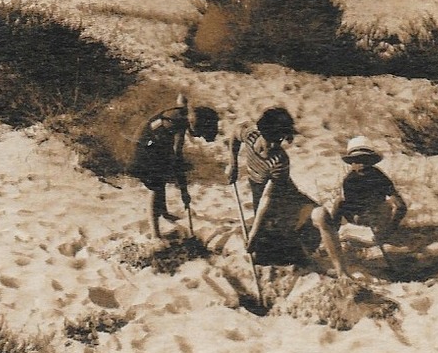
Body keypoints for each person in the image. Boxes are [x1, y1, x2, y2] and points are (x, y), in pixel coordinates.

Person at [226, 108, 345, 275]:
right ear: (262, 132)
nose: (275, 144)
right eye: (272, 138)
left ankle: (342, 272)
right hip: (259, 195)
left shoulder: (280, 160)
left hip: (284, 196)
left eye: (280, 139)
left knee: (321, 215)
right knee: (263, 254)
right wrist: (233, 165)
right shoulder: (250, 134)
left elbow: (268, 197)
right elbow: (235, 134)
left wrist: (253, 232)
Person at [128, 96, 220, 238]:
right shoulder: (178, 126)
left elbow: (181, 99)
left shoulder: (185, 114)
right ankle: (155, 234)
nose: (198, 136)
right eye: (200, 134)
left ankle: (163, 212)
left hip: (154, 141)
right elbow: (178, 160)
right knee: (156, 186)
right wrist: (184, 192)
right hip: (144, 145)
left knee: (162, 176)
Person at [313, 137, 407, 273]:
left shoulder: (379, 177)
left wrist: (388, 230)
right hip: (360, 216)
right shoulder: (349, 180)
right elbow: (351, 206)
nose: (360, 164)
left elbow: (400, 206)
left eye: (364, 160)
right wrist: (358, 215)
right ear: (351, 163)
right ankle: (330, 237)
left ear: (371, 161)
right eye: (356, 161)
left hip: (379, 215)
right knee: (339, 202)